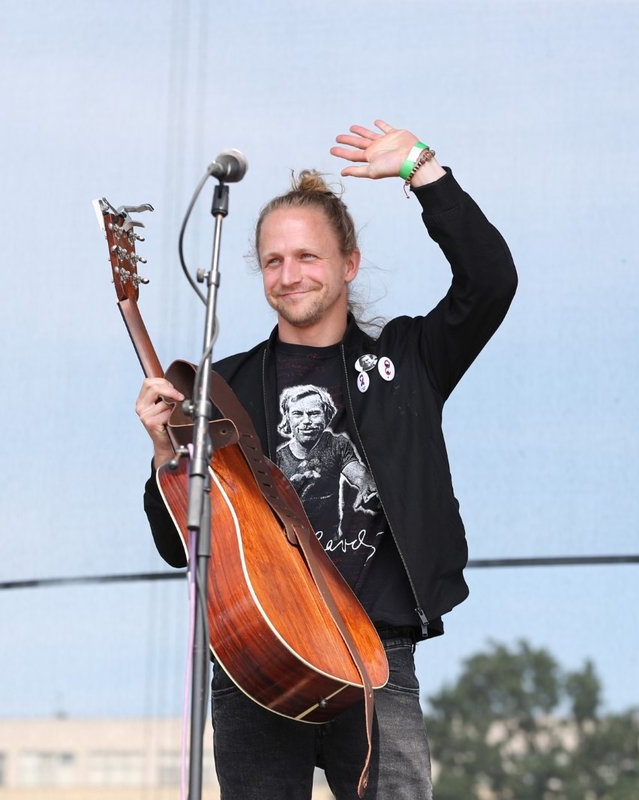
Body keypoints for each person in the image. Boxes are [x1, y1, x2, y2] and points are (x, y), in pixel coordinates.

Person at [135, 119, 517, 799]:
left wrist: (422, 172)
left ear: (349, 264)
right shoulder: (226, 387)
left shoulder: (406, 362)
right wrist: (166, 452)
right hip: (259, 663)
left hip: (375, 660)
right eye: (275, 261)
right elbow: (181, 545)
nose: (291, 275)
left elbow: (490, 282)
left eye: (309, 257)